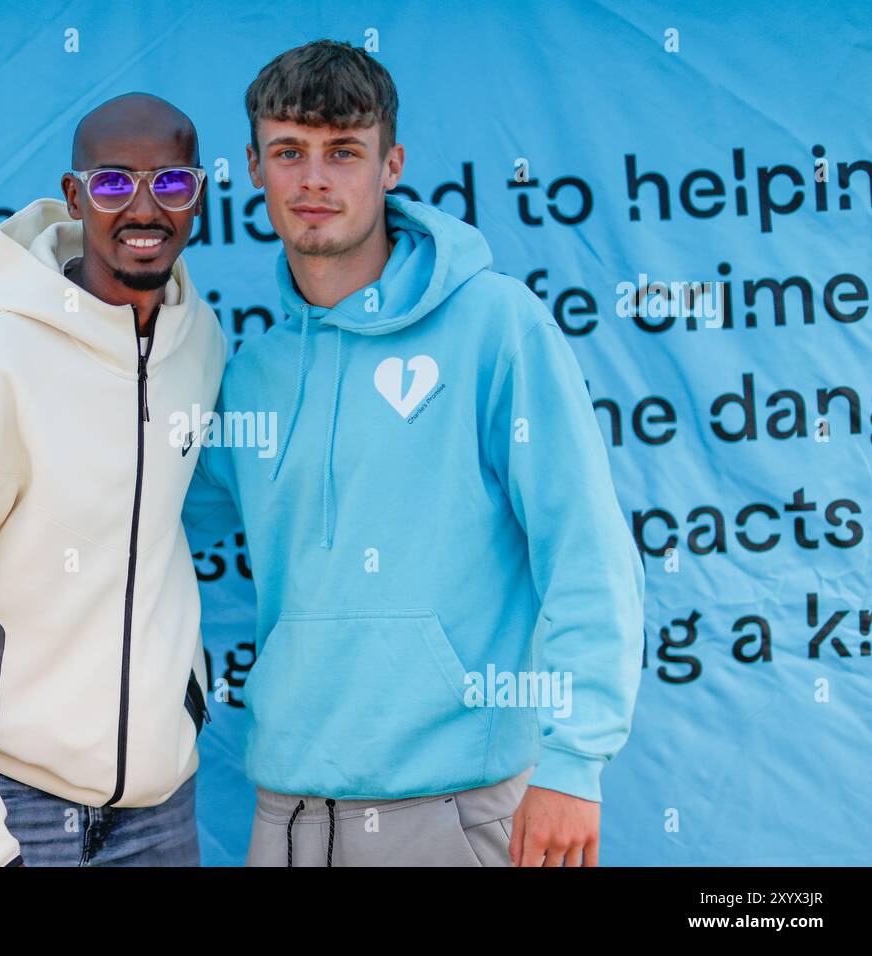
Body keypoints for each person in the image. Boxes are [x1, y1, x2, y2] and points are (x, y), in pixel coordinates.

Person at [184, 40, 645, 867]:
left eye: (343, 153)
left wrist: (575, 761)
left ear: (390, 165)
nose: (314, 180)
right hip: (283, 820)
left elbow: (587, 551)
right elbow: (149, 524)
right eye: (289, 152)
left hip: (453, 816)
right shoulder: (252, 375)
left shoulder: (496, 326)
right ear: (253, 168)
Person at [0, 92, 226, 866]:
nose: (143, 207)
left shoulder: (200, 344)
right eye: (112, 184)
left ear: (199, 194)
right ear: (73, 197)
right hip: (13, 810)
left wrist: (183, 705)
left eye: (171, 184)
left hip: (159, 815)